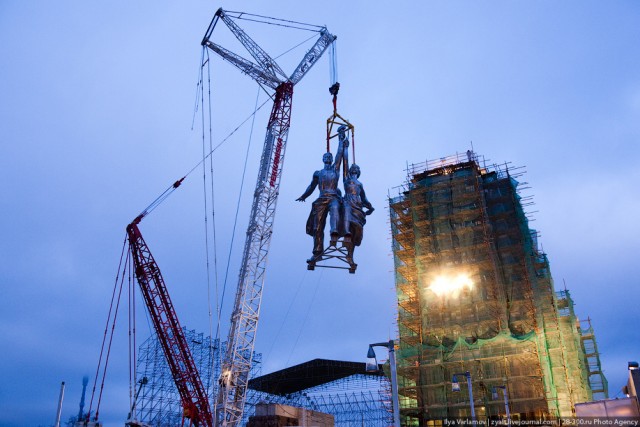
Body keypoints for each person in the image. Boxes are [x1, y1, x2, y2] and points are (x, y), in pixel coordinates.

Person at [296, 131, 346, 262]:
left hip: (334, 197)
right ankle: (317, 252)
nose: (328, 157)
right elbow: (311, 186)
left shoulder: (335, 169)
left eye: (330, 156)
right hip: (321, 199)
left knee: (335, 208)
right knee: (317, 227)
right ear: (323, 159)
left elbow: (339, 154)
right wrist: (304, 195)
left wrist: (341, 139)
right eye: (326, 156)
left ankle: (334, 232)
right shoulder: (318, 173)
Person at [340, 135, 374, 263]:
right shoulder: (346, 180)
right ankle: (345, 233)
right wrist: (346, 148)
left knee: (357, 232)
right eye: (353, 168)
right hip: (348, 202)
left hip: (358, 206)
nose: (354, 168)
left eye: (357, 168)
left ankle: (350, 255)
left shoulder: (360, 184)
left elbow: (364, 199)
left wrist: (370, 207)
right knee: (347, 212)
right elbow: (345, 163)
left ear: (358, 172)